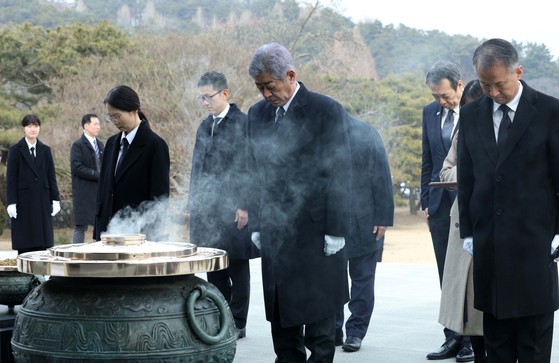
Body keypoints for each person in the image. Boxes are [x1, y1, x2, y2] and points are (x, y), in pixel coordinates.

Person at [246, 42, 351, 362]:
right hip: (277, 229)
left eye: (270, 86)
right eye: (259, 87)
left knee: (320, 319)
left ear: (290, 75)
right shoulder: (257, 113)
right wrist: (257, 223)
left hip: (317, 229)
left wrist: (336, 229)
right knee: (282, 313)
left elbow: (339, 171)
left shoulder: (325, 109)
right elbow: (252, 171)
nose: (265, 94)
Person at [458, 38, 559, 363]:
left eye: (499, 84)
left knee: (532, 345)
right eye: (486, 85)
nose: (493, 93)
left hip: (534, 244)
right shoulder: (472, 114)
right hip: (490, 245)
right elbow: (467, 178)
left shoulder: (549, 111)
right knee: (496, 344)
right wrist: (470, 232)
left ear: (518, 71)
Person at [187, 71, 259, 339]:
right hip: (207, 209)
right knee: (213, 266)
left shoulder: (243, 123)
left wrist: (244, 204)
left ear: (225, 93)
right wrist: (193, 204)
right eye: (201, 98)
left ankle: (238, 321)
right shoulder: (204, 126)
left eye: (209, 96)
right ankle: (221, 314)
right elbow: (196, 167)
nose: (205, 102)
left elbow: (250, 167)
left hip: (233, 208)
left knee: (237, 266)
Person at [421, 60, 474, 361]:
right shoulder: (430, 113)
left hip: (469, 206)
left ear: (459, 85)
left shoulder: (474, 109)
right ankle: (452, 337)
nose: (441, 101)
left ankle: (471, 339)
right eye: (435, 97)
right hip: (440, 206)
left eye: (444, 95)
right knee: (447, 274)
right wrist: (426, 201)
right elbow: (427, 160)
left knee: (468, 276)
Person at [335, 113, 394, 352]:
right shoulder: (322, 133)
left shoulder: (366, 133)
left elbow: (382, 177)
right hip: (332, 223)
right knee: (333, 282)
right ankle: (333, 329)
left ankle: (356, 332)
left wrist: (383, 218)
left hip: (366, 221)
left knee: (362, 280)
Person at [438, 80, 485, 363]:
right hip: (462, 221)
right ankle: (459, 341)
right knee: (465, 300)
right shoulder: (462, 131)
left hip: (496, 222)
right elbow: (445, 171)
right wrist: (467, 172)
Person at [93, 85, 170, 241]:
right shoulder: (111, 143)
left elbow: (159, 200)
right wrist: (98, 231)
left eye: (117, 116)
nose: (114, 121)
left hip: (137, 236)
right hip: (108, 233)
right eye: (110, 117)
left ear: (134, 110)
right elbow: (104, 191)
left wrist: (151, 239)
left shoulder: (155, 145)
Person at [5, 114, 61, 254]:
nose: (33, 129)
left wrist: (55, 199)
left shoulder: (45, 150)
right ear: (23, 129)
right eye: (29, 126)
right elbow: (10, 179)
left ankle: (40, 275)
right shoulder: (15, 150)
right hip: (23, 202)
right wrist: (11, 202)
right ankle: (26, 274)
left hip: (42, 200)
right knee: (25, 242)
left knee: (42, 244)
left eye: (35, 126)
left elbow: (51, 176)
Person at [70, 113, 103, 243]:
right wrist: (97, 175)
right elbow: (76, 167)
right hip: (83, 191)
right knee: (80, 226)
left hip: (99, 191)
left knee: (99, 225)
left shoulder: (100, 144)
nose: (98, 127)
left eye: (99, 124)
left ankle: (99, 255)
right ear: (86, 126)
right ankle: (76, 257)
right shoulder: (78, 145)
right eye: (95, 124)